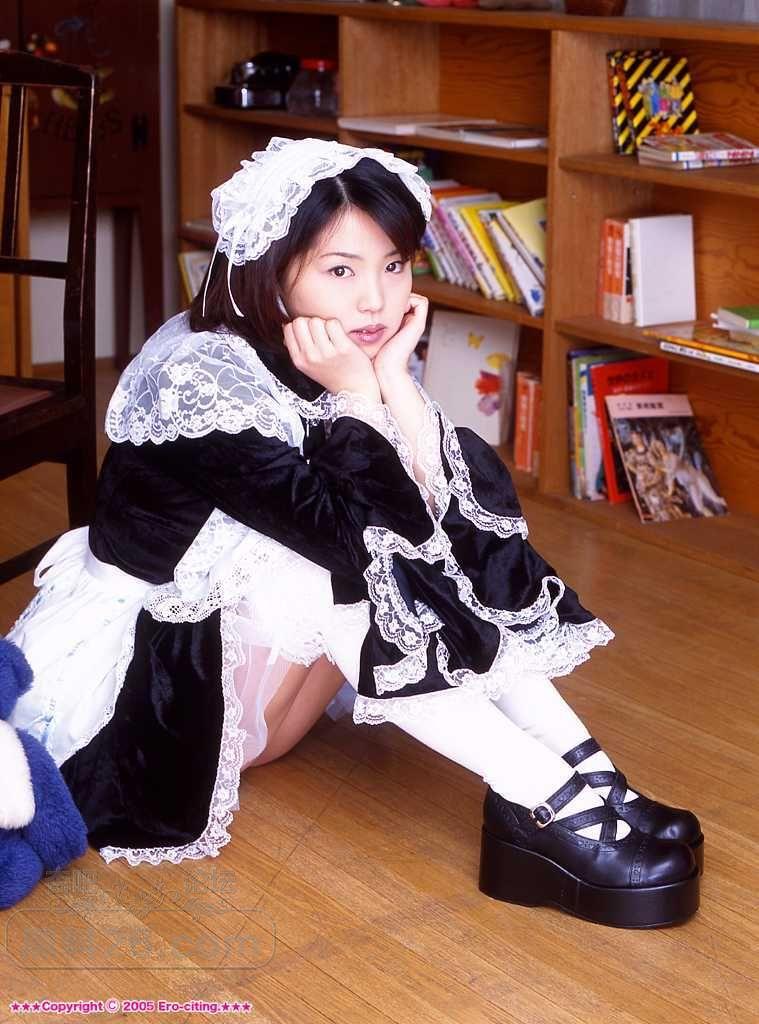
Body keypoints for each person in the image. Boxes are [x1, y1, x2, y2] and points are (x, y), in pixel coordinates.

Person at [6, 137, 702, 927]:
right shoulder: (199, 379)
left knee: (419, 552)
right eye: (340, 270)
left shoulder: (328, 349)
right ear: (270, 267)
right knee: (342, 571)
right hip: (151, 703)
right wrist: (360, 397)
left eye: (394, 266)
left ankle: (585, 776)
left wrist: (390, 380)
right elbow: (358, 544)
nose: (375, 300)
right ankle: (543, 801)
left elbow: (441, 515)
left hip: (256, 690)